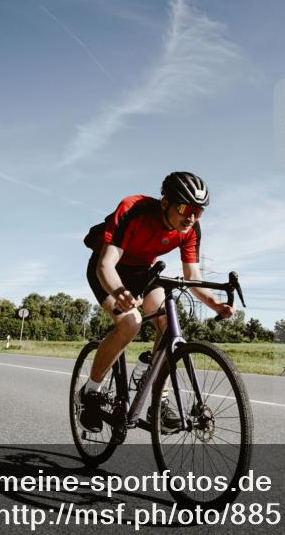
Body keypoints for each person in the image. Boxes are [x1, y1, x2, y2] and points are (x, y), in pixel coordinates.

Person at [79, 171, 235, 433]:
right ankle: (90, 393)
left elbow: (192, 277)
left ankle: (156, 401)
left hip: (143, 272)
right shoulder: (133, 209)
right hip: (109, 269)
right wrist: (118, 292)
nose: (192, 217)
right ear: (165, 203)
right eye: (186, 208)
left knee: (167, 318)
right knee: (131, 323)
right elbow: (106, 264)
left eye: (199, 211)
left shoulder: (190, 229)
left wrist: (216, 305)